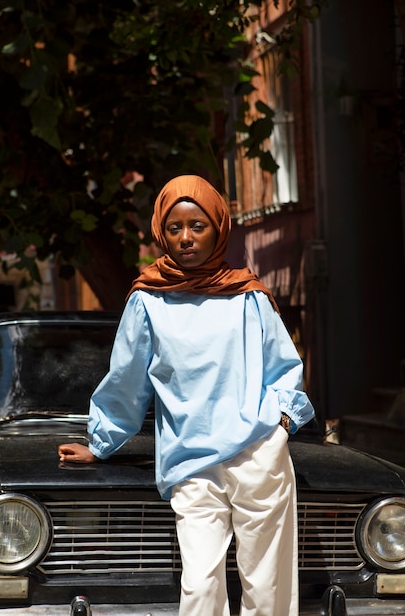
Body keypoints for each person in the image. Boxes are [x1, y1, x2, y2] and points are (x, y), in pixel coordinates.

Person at [58, 174, 315, 616]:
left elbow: (284, 370)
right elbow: (126, 380)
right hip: (190, 461)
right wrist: (100, 445)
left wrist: (282, 426)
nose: (186, 238)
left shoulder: (248, 297)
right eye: (174, 228)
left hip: (258, 455)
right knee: (198, 586)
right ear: (161, 231)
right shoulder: (148, 301)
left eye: (197, 226)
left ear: (218, 228)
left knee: (269, 587)